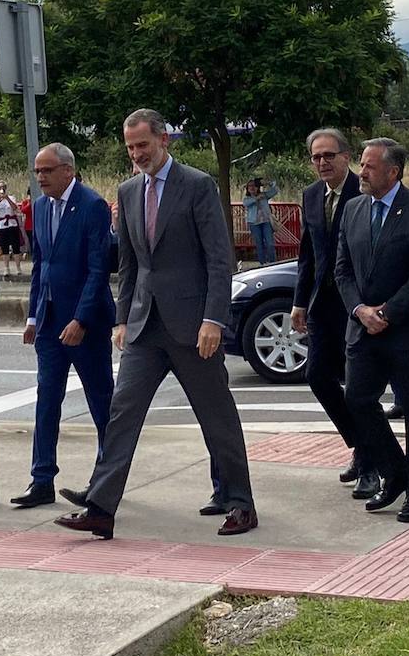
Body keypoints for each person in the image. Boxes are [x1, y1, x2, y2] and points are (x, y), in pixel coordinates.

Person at [55, 108, 257, 539]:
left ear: (164, 140)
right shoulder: (128, 191)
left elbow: (219, 259)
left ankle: (240, 502)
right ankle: (101, 508)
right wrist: (122, 318)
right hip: (145, 327)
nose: (136, 154)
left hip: (193, 326)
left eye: (143, 145)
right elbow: (129, 265)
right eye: (130, 147)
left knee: (216, 416)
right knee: (121, 413)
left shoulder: (197, 185)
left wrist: (213, 319)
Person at [334, 137, 409, 524]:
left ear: (393, 172)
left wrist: (388, 312)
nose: (361, 173)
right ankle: (394, 471)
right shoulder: (352, 209)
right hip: (362, 330)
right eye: (362, 165)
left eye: (369, 166)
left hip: (407, 334)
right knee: (358, 401)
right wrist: (360, 310)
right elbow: (342, 269)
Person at [14, 143, 116, 509]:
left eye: (47, 170)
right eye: (37, 171)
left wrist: (81, 319)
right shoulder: (40, 208)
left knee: (101, 401)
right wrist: (32, 316)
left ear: (68, 171)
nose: (40, 177)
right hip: (49, 322)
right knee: (46, 399)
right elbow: (41, 265)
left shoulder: (92, 206)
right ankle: (41, 479)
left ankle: (106, 481)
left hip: (85, 324)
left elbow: (97, 269)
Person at [290, 129, 368, 493]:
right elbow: (308, 253)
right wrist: (299, 301)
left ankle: (369, 460)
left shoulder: (364, 190)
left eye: (329, 156)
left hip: (356, 305)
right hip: (322, 304)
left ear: (346, 156)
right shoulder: (310, 196)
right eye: (316, 157)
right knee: (318, 377)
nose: (322, 163)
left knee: (357, 386)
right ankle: (361, 443)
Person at [0, 180, 25, 279]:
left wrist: (7, 198)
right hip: (1, 226)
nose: (1, 189)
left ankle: (18, 268)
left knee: (16, 246)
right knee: (4, 248)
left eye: (3, 187)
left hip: (12, 224)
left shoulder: (11, 198)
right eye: (0, 187)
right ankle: (6, 268)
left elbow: (15, 208)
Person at [243, 177, 279, 264]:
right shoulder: (247, 198)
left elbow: (275, 190)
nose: (252, 188)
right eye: (250, 186)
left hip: (266, 222)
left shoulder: (264, 195)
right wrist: (256, 198)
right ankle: (262, 263)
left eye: (254, 186)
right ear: (247, 188)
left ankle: (272, 263)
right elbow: (246, 204)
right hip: (254, 224)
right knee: (259, 245)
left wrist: (268, 183)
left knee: (270, 244)